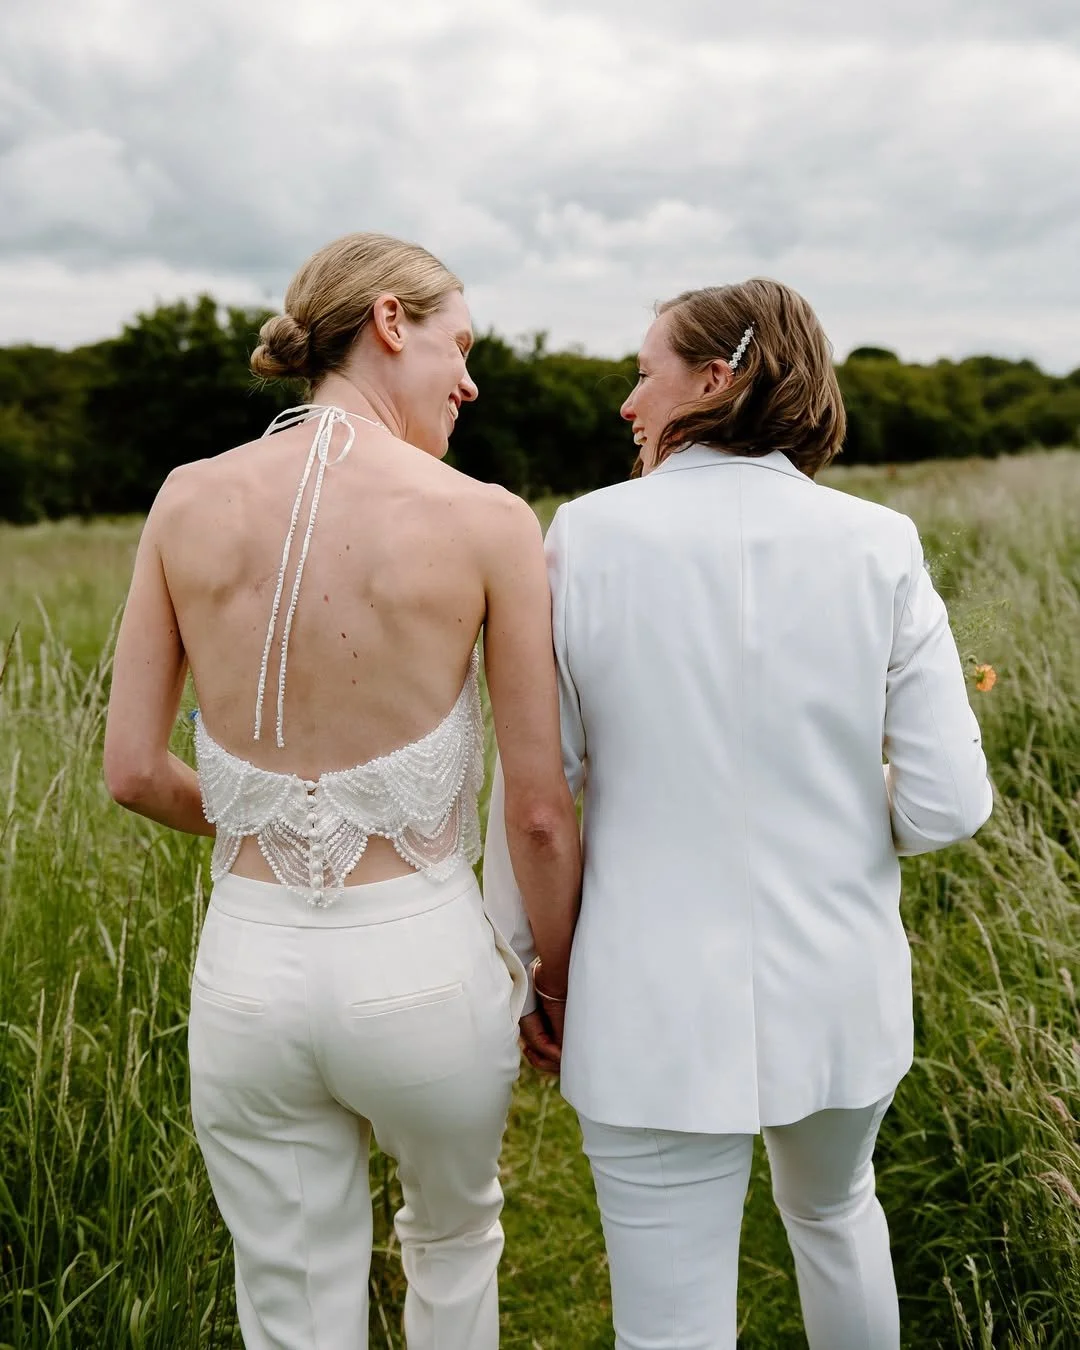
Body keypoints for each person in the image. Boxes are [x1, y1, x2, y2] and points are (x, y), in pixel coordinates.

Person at [483, 279, 993, 1349]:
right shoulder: (881, 542)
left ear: (715, 380)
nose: (629, 402)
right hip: (841, 986)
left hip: (647, 997)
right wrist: (833, 811)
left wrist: (531, 959)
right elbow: (949, 803)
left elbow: (539, 799)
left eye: (643, 372)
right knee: (838, 1214)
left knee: (670, 1323)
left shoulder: (584, 536)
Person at [103, 231, 581, 1350]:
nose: (471, 379)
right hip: (422, 969)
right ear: (387, 321)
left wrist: (275, 821)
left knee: (288, 1295)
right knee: (455, 1247)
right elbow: (539, 809)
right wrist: (554, 981)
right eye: (459, 344)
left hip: (247, 978)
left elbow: (132, 771)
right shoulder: (489, 520)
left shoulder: (183, 500)